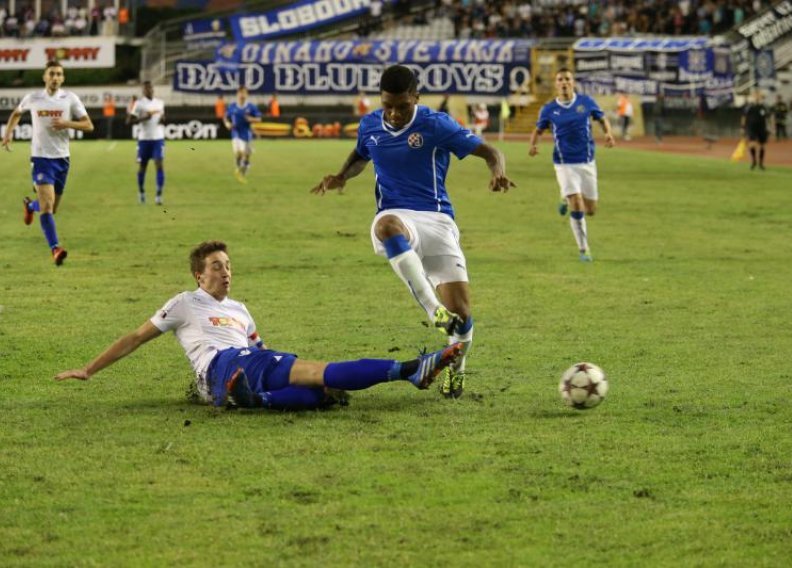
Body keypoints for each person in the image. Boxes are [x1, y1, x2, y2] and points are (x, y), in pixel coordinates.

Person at [54, 240, 462, 410]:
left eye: (229, 266)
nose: (226, 273)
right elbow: (135, 338)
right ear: (199, 275)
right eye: (217, 267)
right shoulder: (184, 303)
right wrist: (89, 369)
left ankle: (249, 398)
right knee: (316, 373)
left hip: (246, 362)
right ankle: (409, 371)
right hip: (221, 363)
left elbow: (262, 348)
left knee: (322, 393)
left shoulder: (241, 309)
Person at [310, 64, 515, 399]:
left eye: (402, 106)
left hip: (437, 221)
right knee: (386, 226)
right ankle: (432, 309)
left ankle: (456, 372)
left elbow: (491, 151)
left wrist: (497, 172)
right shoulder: (370, 124)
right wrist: (342, 175)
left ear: (416, 98)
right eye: (387, 105)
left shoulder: (436, 124)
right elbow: (362, 153)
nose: (393, 113)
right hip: (397, 214)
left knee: (462, 314)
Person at [1, 60, 94, 266]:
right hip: (41, 158)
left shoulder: (70, 99)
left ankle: (30, 206)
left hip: (62, 159)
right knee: (48, 206)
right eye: (51, 73)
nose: (55, 77)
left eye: (59, 74)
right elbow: (17, 113)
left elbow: (88, 125)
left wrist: (66, 123)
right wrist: (8, 134)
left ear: (63, 78)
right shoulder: (33, 98)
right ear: (45, 77)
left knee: (51, 208)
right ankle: (55, 249)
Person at [529, 68, 615, 263]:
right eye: (560, 79)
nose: (564, 82)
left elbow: (602, 119)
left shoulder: (586, 102)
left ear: (573, 82)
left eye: (567, 79)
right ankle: (584, 249)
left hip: (587, 162)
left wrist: (608, 133)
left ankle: (565, 197)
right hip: (564, 163)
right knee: (577, 204)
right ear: (556, 84)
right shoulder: (549, 109)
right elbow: (539, 130)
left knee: (591, 210)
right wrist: (534, 145)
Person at [127, 81, 166, 204]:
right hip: (144, 139)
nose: (148, 90)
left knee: (159, 164)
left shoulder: (160, 103)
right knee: (143, 166)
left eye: (149, 88)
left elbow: (163, 119)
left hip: (158, 139)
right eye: (145, 89)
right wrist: (144, 118)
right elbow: (129, 121)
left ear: (152, 89)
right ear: (143, 91)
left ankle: (159, 195)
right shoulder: (139, 104)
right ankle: (141, 192)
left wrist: (163, 119)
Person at [223, 86, 261, 183]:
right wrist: (227, 123)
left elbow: (259, 119)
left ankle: (244, 166)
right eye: (240, 93)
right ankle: (239, 168)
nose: (242, 95)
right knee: (239, 152)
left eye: (244, 93)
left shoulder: (251, 107)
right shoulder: (232, 106)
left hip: (246, 133)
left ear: (247, 94)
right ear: (237, 94)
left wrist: (251, 119)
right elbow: (225, 117)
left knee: (247, 154)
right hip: (235, 132)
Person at [741, 91, 768, 170]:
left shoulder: (763, 107)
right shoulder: (749, 107)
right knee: (752, 144)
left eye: (759, 96)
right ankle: (753, 161)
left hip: (762, 128)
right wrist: (742, 127)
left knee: (762, 146)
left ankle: (761, 163)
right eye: (756, 96)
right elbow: (744, 117)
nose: (757, 98)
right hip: (752, 128)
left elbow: (767, 117)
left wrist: (770, 127)